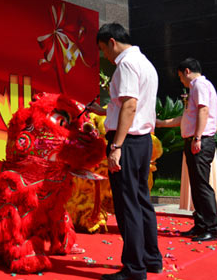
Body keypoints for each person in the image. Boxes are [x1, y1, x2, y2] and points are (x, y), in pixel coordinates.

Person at [88, 23, 162, 280]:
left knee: (128, 205)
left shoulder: (126, 64)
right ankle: (151, 259)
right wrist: (104, 111)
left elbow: (130, 106)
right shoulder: (146, 64)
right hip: (141, 141)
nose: (105, 56)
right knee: (142, 201)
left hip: (127, 143)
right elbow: (128, 106)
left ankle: (134, 269)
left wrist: (116, 146)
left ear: (111, 41)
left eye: (103, 49)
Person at [156, 57, 217, 242]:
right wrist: (160, 123)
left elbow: (203, 111)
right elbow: (187, 118)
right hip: (195, 138)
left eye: (181, 77)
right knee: (197, 185)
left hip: (200, 140)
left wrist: (197, 137)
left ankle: (212, 228)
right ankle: (201, 225)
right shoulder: (197, 88)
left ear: (186, 71)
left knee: (201, 185)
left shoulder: (200, 85)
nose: (181, 82)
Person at [180, 118, 217, 213]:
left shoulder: (206, 106)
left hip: (201, 143)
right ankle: (200, 215)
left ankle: (210, 220)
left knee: (203, 183)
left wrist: (199, 134)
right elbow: (183, 118)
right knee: (195, 182)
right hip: (192, 143)